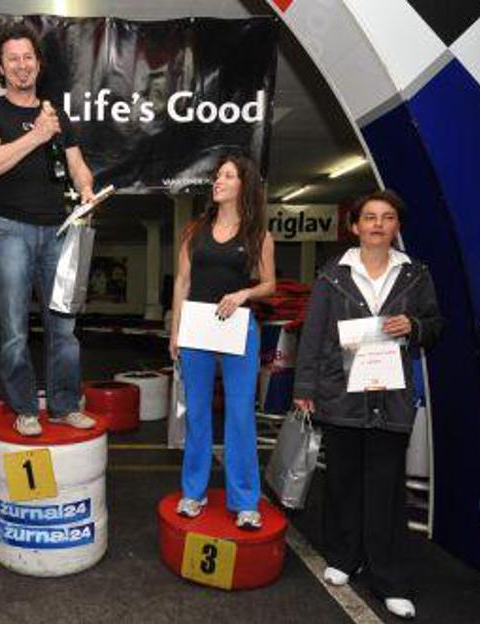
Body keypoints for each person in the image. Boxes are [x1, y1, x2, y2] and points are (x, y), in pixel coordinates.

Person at [292, 190, 443, 620]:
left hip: (391, 398)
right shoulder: (331, 276)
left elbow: (436, 325)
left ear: (397, 227)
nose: (378, 224)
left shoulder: (415, 275)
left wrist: (413, 326)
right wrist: (305, 386)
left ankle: (390, 579)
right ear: (355, 226)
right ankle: (344, 558)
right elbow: (314, 333)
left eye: (387, 217)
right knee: (342, 482)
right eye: (370, 217)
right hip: (341, 393)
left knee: (387, 489)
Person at [0, 22, 96, 437]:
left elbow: (77, 167)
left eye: (28, 57)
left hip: (58, 230)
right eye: (13, 59)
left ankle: (63, 405)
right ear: (1, 68)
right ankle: (24, 408)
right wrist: (36, 135)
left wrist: (87, 190)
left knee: (65, 328)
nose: (22, 65)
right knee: (14, 331)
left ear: (38, 64)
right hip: (10, 230)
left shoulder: (55, 114)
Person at [168, 155, 276, 529]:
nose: (218, 180)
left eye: (228, 176)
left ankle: (245, 501)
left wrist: (245, 293)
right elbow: (182, 282)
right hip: (197, 329)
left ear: (244, 185)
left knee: (241, 414)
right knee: (197, 413)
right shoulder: (194, 230)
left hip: (238, 329)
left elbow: (270, 284)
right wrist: (175, 331)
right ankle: (193, 493)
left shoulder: (258, 235)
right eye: (217, 175)